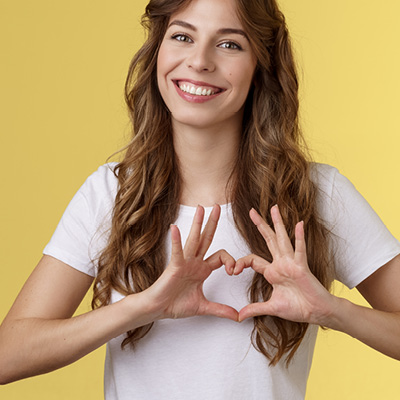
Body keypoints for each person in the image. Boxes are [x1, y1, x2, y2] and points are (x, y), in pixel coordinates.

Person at [1, 0, 399, 398]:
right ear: (158, 50)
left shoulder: (315, 194)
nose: (199, 61)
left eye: (229, 44)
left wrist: (332, 310)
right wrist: (142, 307)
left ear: (261, 67)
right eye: (182, 36)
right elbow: (8, 355)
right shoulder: (111, 194)